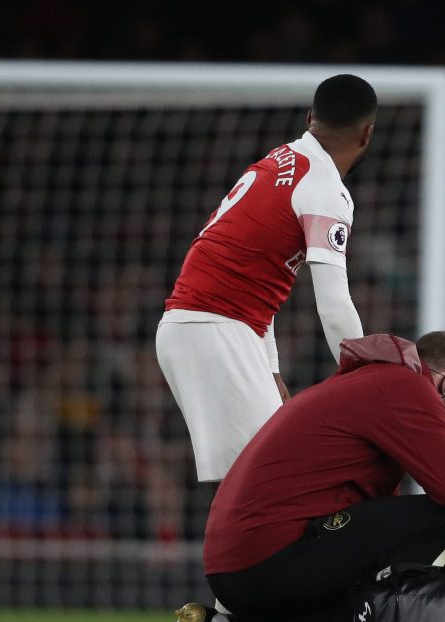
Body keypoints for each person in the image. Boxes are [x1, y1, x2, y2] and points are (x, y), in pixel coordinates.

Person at [162, 330, 445, 622]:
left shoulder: (362, 383)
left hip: (237, 568)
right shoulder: (405, 385)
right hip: (273, 555)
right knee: (440, 518)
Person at [156, 74, 375, 486]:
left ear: (311, 117)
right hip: (215, 330)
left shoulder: (281, 159)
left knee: (262, 483)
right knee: (271, 484)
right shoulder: (326, 189)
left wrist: (271, 371)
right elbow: (334, 306)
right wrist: (368, 381)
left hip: (209, 329)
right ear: (367, 134)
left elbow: (255, 278)